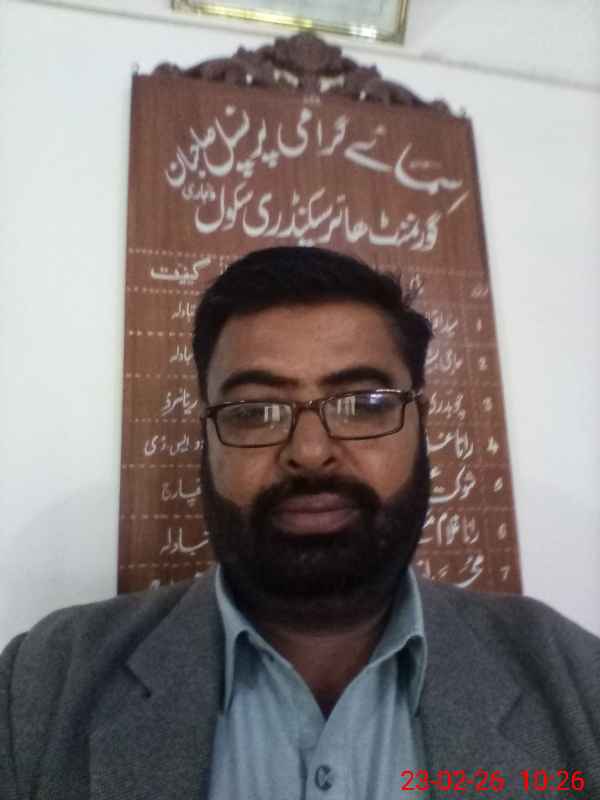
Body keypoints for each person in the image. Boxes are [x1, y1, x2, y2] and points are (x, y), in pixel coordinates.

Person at [1, 247, 598, 800]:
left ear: (422, 423)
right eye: (254, 411)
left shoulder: (577, 683)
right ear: (207, 439)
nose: (310, 452)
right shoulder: (41, 688)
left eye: (364, 404)